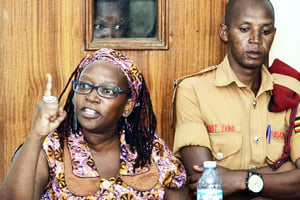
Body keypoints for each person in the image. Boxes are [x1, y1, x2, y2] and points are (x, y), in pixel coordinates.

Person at [0, 48, 188, 199]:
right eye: (84, 86)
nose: (91, 97)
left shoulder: (149, 149)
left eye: (107, 90)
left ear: (127, 107)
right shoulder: (50, 147)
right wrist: (36, 135)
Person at [172, 0, 300, 199]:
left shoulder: (292, 91)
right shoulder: (193, 90)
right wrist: (285, 175)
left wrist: (242, 180)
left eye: (265, 31)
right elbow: (205, 186)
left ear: (273, 34)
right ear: (224, 33)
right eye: (244, 29)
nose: (256, 40)